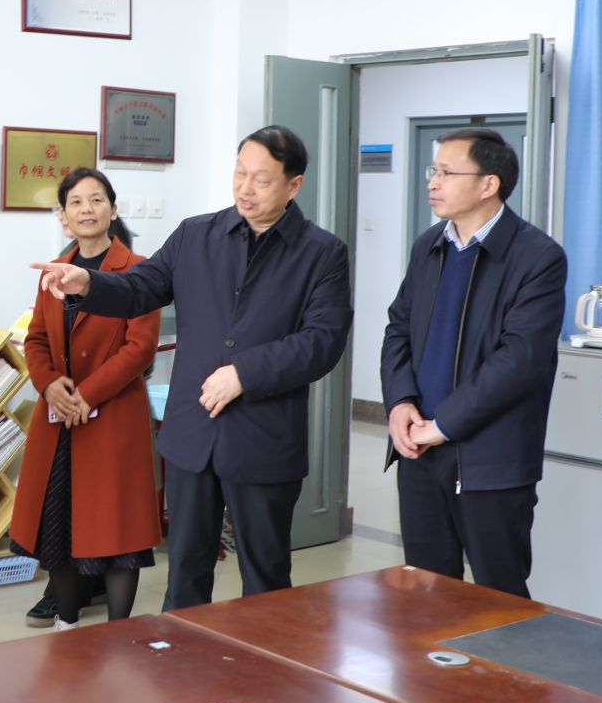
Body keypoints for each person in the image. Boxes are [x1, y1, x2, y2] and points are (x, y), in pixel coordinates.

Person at [34, 125, 352, 609]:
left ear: (294, 185)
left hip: (263, 439)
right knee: (184, 573)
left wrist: (245, 373)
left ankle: (260, 659)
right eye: (240, 173)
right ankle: (180, 657)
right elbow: (141, 287)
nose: (245, 188)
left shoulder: (321, 253)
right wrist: (89, 284)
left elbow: (322, 342)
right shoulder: (196, 234)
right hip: (192, 437)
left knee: (265, 579)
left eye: (262, 179)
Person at [379, 127, 567, 599]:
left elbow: (520, 359)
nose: (432, 182)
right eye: (433, 170)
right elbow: (398, 328)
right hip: (419, 450)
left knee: (497, 598)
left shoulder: (537, 256)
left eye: (446, 172)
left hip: (491, 460)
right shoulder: (429, 246)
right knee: (424, 592)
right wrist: (400, 403)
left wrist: (445, 424)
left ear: (488, 184)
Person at [9, 169, 162, 627]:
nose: (86, 209)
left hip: (113, 417)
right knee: (59, 523)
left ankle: (117, 631)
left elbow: (140, 348)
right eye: (75, 202)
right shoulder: (54, 271)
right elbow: (36, 339)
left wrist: (87, 395)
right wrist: (48, 384)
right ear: (63, 216)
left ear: (113, 211)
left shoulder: (138, 269)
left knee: (119, 531)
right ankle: (67, 623)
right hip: (59, 417)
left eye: (97, 200)